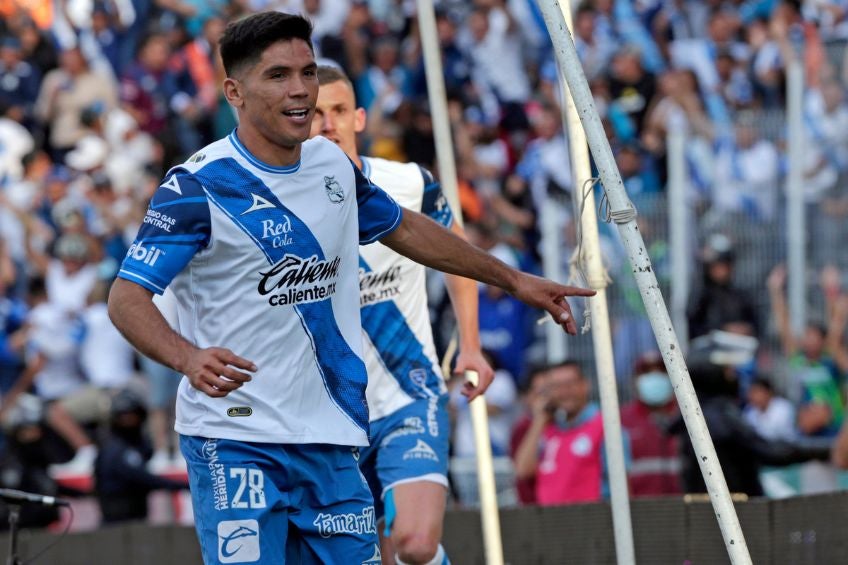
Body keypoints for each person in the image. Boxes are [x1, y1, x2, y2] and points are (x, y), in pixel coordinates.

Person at [107, 12, 593, 564]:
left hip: (332, 438)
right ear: (234, 92)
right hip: (234, 439)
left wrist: (512, 279)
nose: (300, 91)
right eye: (278, 76)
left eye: (307, 72)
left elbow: (405, 227)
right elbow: (126, 298)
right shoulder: (195, 186)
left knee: (411, 547)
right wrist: (187, 356)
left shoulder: (330, 167)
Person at [309, 64, 494, 565]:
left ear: (360, 118)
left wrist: (470, 344)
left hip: (409, 393)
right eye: (315, 113)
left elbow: (459, 258)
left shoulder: (409, 182)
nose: (328, 124)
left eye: (339, 111)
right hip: (332, 415)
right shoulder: (280, 206)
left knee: (414, 543)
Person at [513, 361, 616, 505]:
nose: (565, 392)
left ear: (585, 385)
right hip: (554, 521)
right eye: (556, 387)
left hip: (593, 519)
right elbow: (523, 470)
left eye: (570, 384)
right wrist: (540, 420)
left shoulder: (606, 426)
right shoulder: (549, 429)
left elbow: (620, 483)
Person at [94, 388, 187, 524]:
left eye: (132, 415)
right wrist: (184, 485)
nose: (129, 420)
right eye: (123, 416)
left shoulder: (139, 444)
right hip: (117, 524)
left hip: (136, 519)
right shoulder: (114, 449)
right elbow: (142, 478)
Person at [619, 352, 681, 497]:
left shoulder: (689, 416)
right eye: (646, 372)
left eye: (661, 371)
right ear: (635, 381)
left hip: (685, 507)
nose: (655, 377)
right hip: (640, 508)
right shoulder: (622, 419)